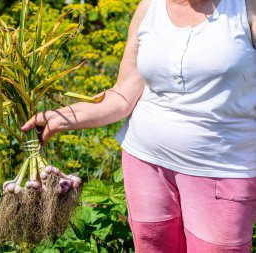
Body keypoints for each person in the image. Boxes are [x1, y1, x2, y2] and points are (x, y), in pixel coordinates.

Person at [21, 0, 256, 252]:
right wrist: (63, 117)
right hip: (145, 164)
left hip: (222, 170)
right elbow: (123, 95)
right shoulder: (150, 6)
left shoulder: (245, 8)